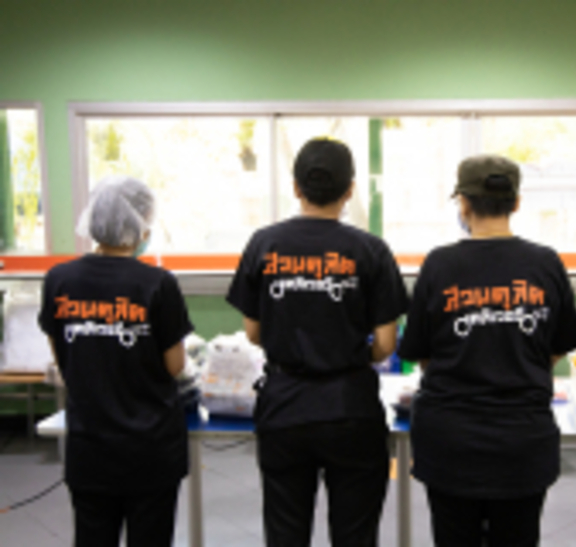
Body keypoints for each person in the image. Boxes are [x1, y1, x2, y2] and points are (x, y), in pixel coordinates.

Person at [226, 137, 408, 547]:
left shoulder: (264, 244)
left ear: (296, 188)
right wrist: (350, 353)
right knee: (355, 535)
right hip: (350, 407)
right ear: (350, 190)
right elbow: (385, 343)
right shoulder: (371, 250)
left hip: (284, 408)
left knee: (286, 533)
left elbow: (253, 333)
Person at [398, 154, 576, 547]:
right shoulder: (545, 263)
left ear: (463, 204)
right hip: (522, 443)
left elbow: (421, 353)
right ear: (516, 203)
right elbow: (557, 347)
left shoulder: (439, 265)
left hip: (450, 444)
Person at [38, 176, 193, 547]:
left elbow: (64, 359)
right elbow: (175, 366)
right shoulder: (157, 283)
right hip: (151, 448)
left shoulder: (59, 280)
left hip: (90, 446)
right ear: (140, 225)